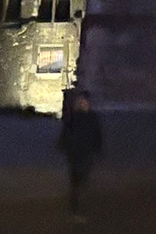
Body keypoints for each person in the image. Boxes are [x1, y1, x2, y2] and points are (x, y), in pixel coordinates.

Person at [57, 88, 105, 224]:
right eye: (80, 102)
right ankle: (76, 210)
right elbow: (65, 133)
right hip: (75, 154)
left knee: (82, 181)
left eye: (84, 102)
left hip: (85, 154)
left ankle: (80, 210)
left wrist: (98, 148)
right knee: (76, 183)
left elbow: (97, 135)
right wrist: (63, 145)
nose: (82, 104)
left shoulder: (92, 118)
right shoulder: (73, 118)